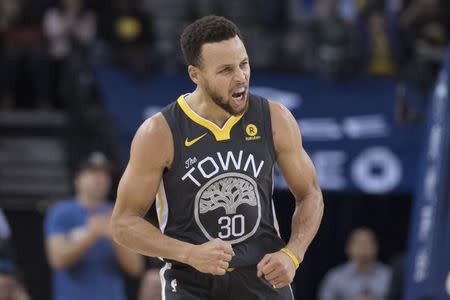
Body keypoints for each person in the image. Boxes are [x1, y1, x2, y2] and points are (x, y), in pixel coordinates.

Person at [111, 15, 324, 300]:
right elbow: (124, 223)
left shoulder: (274, 118)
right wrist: (189, 253)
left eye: (244, 64)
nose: (240, 77)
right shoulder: (160, 132)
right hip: (192, 282)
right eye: (225, 70)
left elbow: (310, 194)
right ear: (195, 75)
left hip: (261, 276)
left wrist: (293, 254)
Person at [44, 152, 144, 300]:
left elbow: (136, 268)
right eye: (92, 172)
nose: (99, 178)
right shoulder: (60, 212)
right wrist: (91, 234)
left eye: (104, 174)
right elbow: (57, 260)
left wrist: (115, 237)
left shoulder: (119, 214)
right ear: (77, 179)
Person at [318, 227, 392, 300]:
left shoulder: (389, 276)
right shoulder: (335, 277)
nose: (363, 247)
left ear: (376, 247)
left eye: (367, 243)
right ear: (348, 247)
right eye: (359, 243)